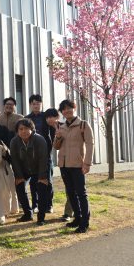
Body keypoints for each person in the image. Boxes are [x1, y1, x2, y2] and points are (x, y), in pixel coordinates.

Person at [53, 99, 94, 233]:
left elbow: (90, 144)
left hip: (78, 164)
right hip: (64, 165)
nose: (66, 111)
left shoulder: (83, 125)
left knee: (81, 193)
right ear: (62, 112)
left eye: (69, 108)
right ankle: (77, 218)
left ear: (74, 108)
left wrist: (87, 163)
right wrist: (58, 137)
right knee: (70, 193)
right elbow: (56, 147)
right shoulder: (61, 127)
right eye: (64, 109)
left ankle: (84, 222)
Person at [10, 118, 49, 226]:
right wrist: (19, 176)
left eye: (26, 128)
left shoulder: (40, 140)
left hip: (39, 168)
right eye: (21, 129)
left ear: (32, 129)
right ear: (17, 131)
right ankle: (28, 214)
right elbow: (15, 160)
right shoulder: (14, 141)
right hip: (24, 169)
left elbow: (43, 159)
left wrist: (42, 177)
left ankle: (41, 217)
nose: (23, 131)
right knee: (19, 186)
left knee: (42, 189)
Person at [25, 94, 55, 214]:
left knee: (47, 179)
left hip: (46, 153)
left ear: (41, 104)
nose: (36, 105)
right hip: (31, 154)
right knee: (33, 181)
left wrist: (51, 147)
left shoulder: (47, 117)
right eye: (33, 103)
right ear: (30, 105)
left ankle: (49, 205)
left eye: (38, 103)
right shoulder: (27, 119)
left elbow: (53, 133)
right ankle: (35, 205)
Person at [45, 108, 73, 221]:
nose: (49, 119)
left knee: (73, 188)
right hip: (62, 161)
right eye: (47, 117)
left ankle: (69, 213)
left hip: (72, 160)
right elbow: (55, 146)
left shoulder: (64, 126)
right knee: (69, 187)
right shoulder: (45, 128)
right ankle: (73, 211)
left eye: (52, 116)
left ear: (57, 117)